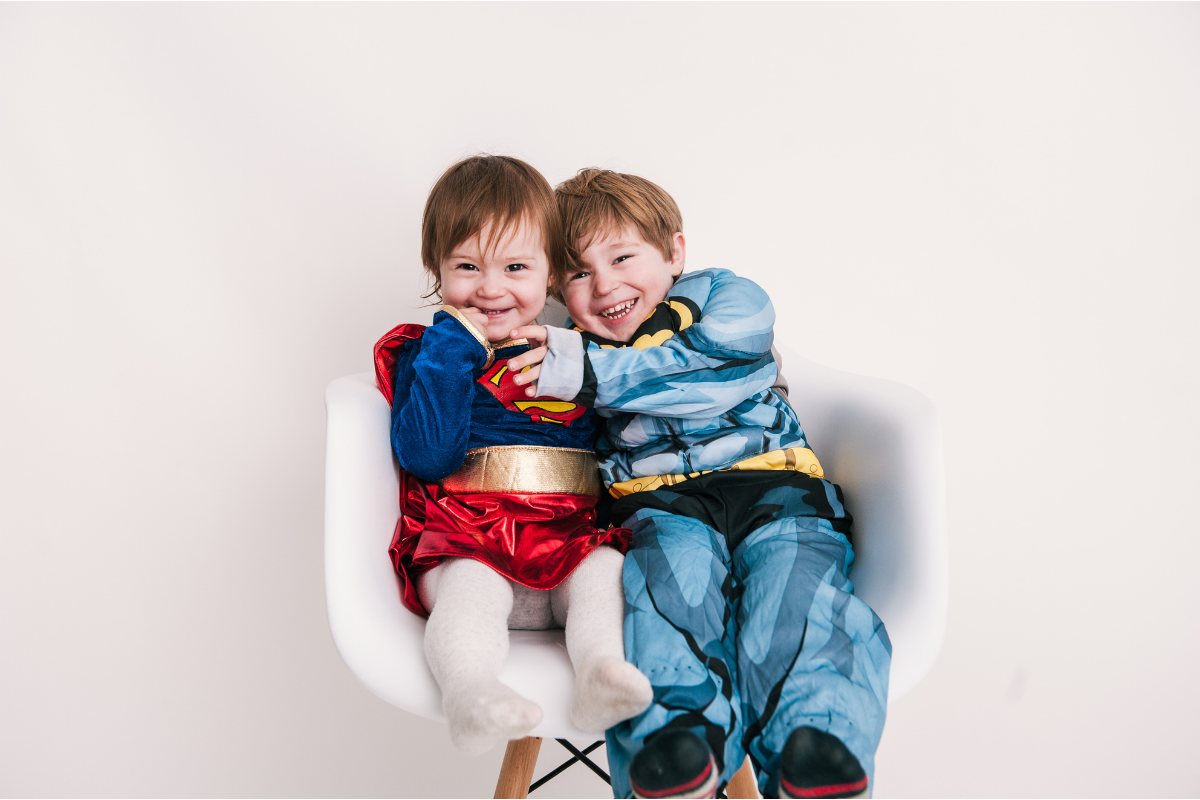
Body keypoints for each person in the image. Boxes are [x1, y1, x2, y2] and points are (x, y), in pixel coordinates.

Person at [506, 169, 892, 798]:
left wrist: (591, 376)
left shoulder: (726, 296)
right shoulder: (568, 350)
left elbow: (716, 369)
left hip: (777, 491)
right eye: (577, 273)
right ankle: (675, 745)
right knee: (667, 597)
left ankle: (818, 745)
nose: (605, 285)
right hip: (660, 507)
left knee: (796, 593)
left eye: (623, 257)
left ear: (675, 252)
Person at [375, 156, 652, 756]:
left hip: (567, 540)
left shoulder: (575, 352)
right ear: (436, 268)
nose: (491, 287)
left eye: (516, 267)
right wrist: (452, 351)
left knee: (605, 573)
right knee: (471, 589)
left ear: (551, 273)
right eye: (467, 266)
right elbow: (427, 457)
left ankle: (601, 674)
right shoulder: (431, 354)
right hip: (467, 541)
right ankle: (471, 693)